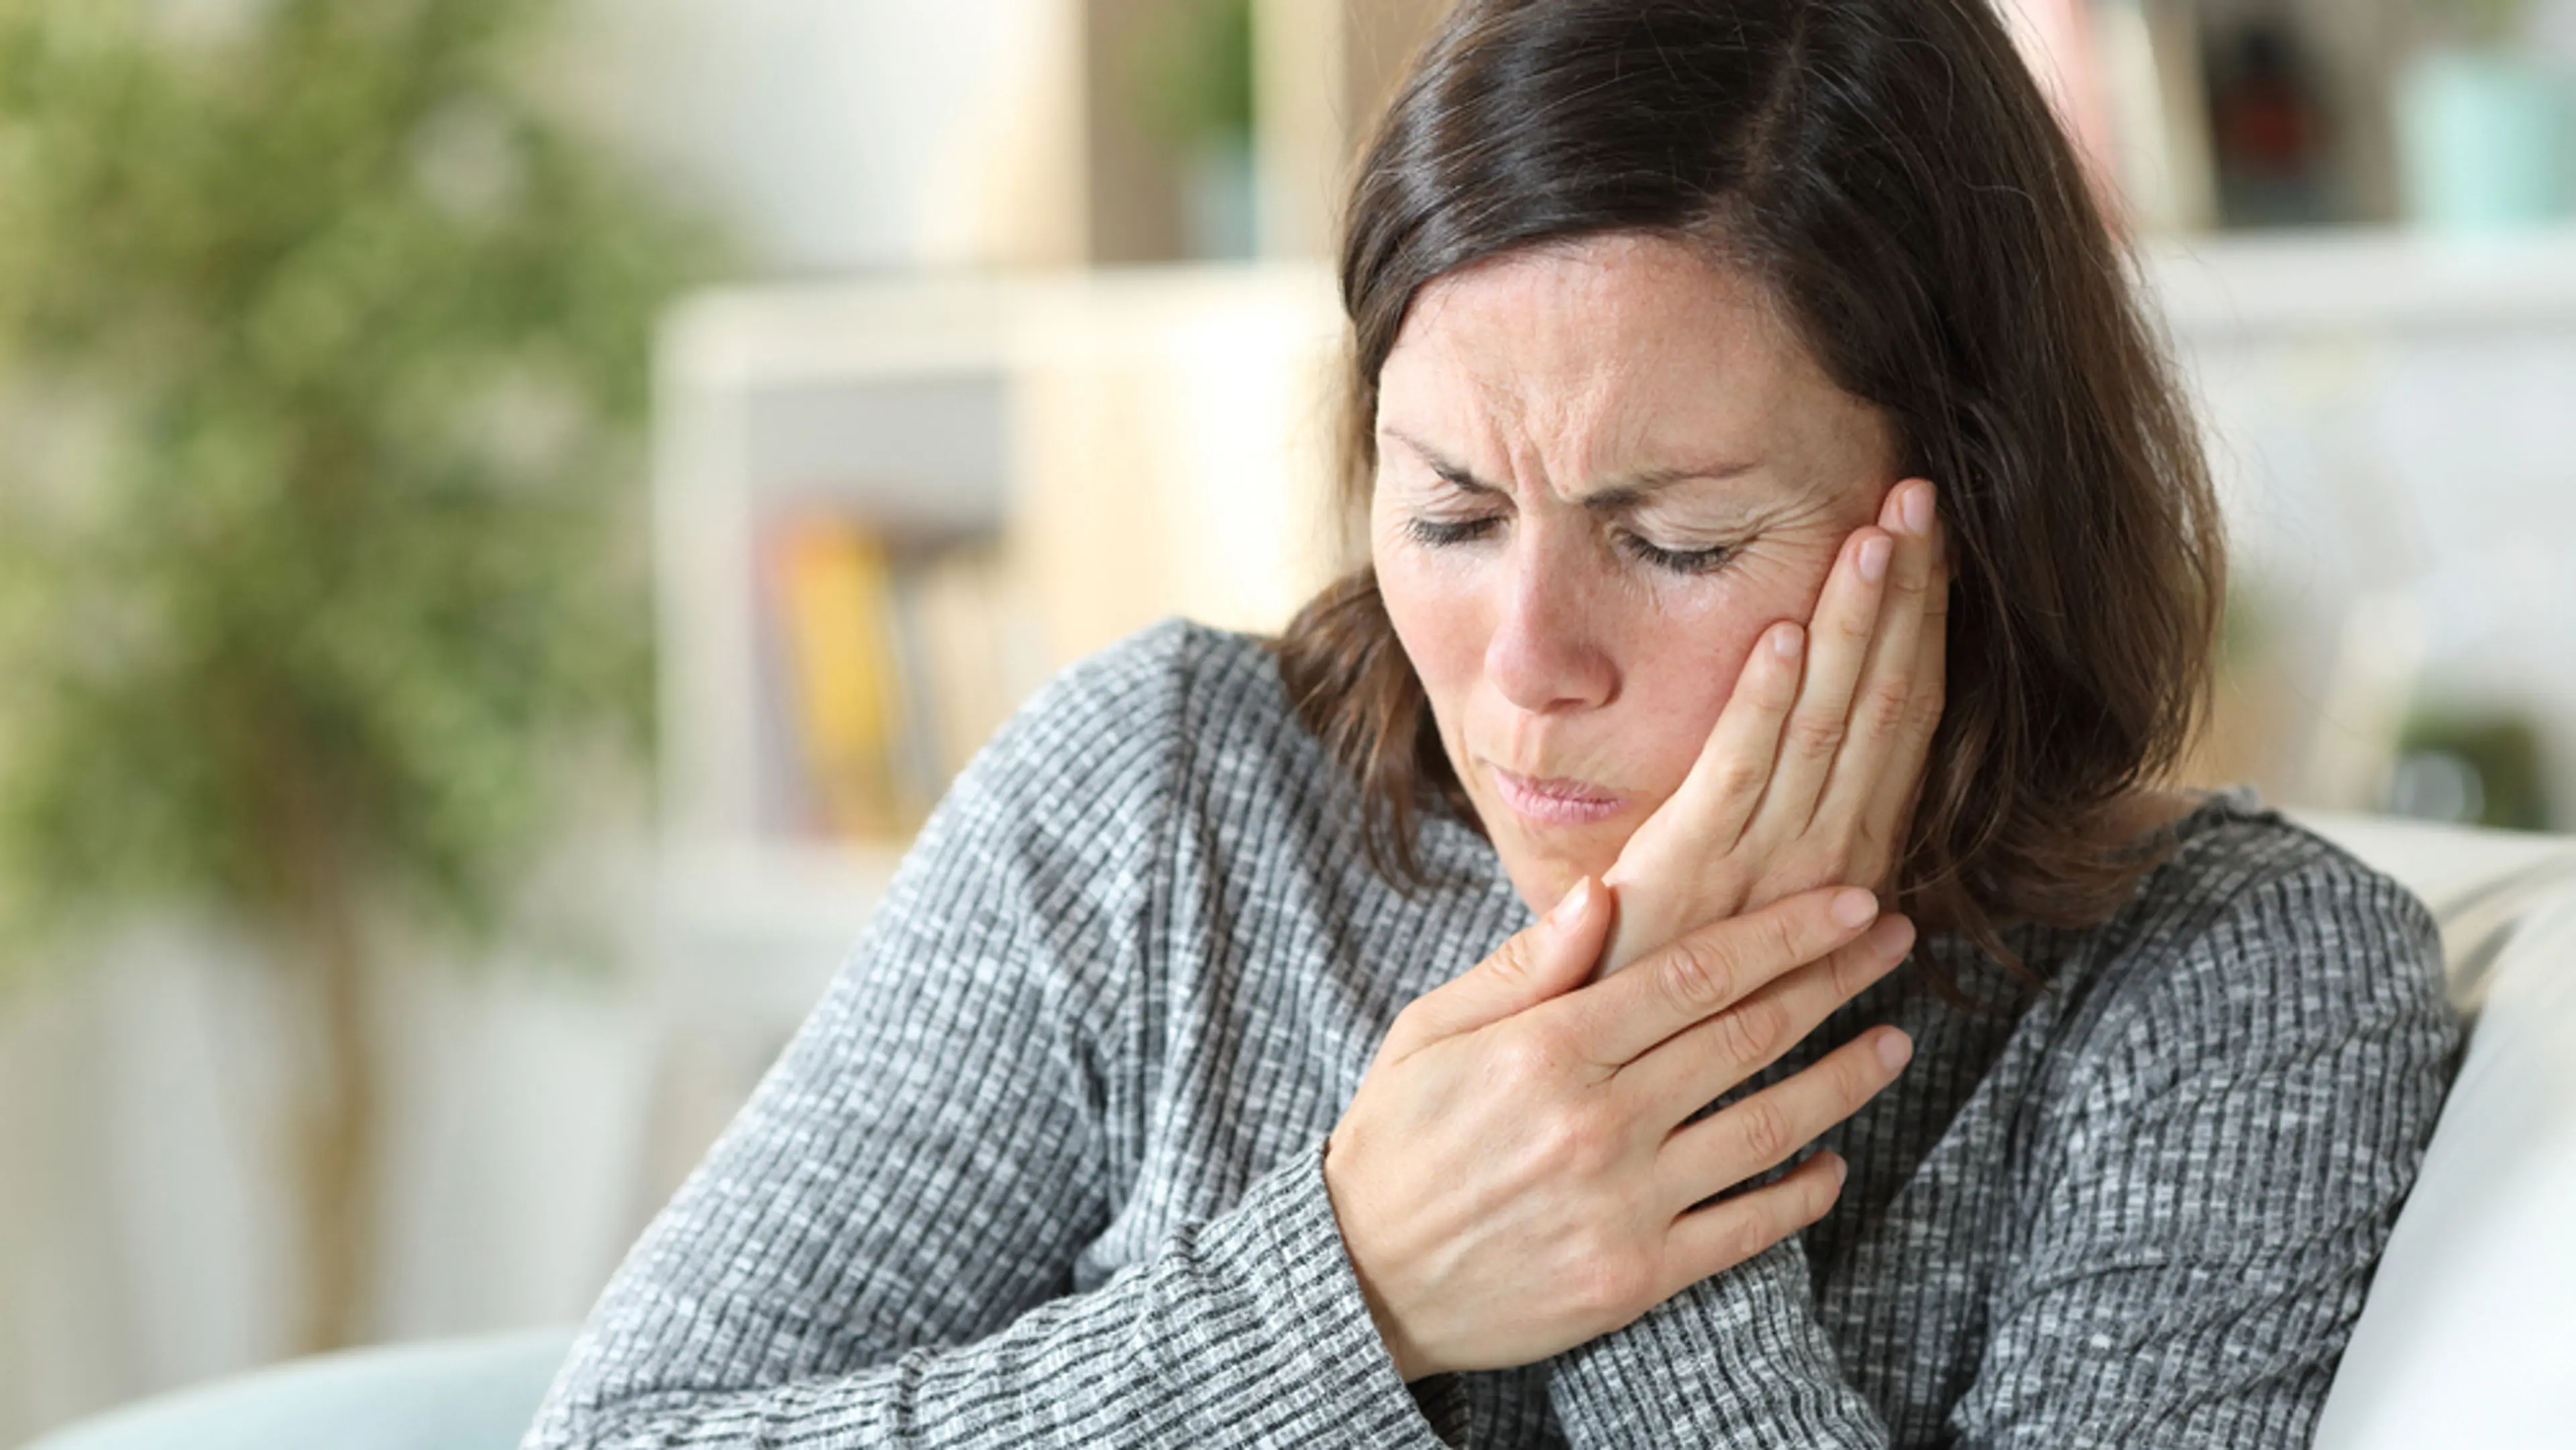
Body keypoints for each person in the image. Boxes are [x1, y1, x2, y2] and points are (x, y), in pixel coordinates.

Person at [524, 1, 2459, 1445]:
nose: (1527, 655)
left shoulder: (2230, 992)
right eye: (1448, 510)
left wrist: (1633, 1165)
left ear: (1972, 514)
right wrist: (1349, 1290)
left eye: (1679, 541)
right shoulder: (1164, 800)